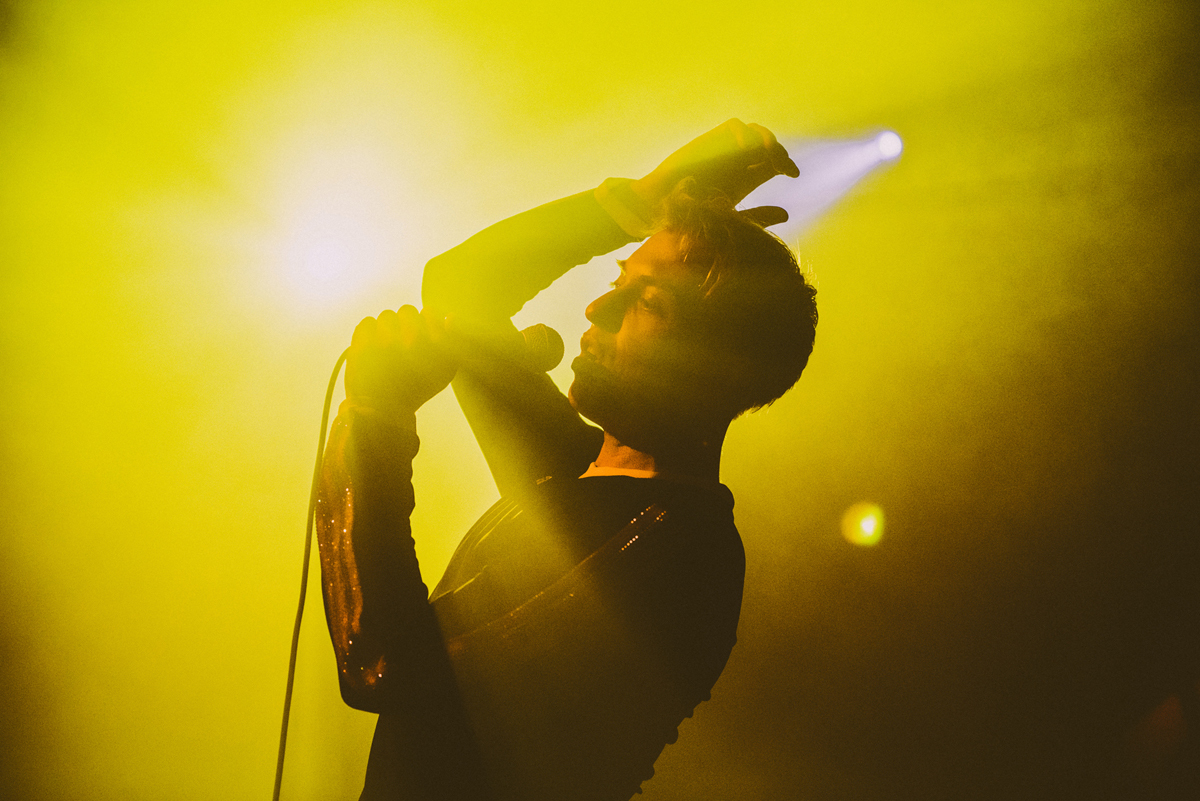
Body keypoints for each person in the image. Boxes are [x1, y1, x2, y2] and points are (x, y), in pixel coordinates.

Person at [315, 119, 818, 800]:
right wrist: (635, 204)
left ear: (716, 364)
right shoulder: (573, 470)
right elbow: (461, 286)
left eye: (647, 303)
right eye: (619, 278)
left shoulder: (683, 549)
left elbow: (392, 669)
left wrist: (376, 423)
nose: (597, 306)